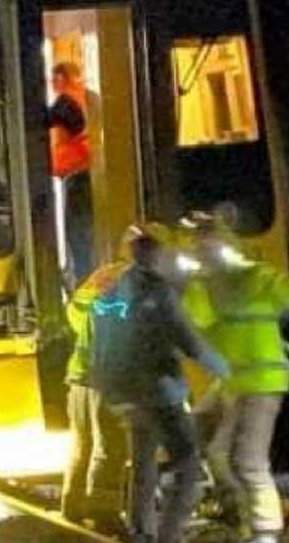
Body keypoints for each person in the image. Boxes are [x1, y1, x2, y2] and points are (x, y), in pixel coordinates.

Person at [88, 224, 229, 543]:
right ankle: (168, 534)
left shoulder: (111, 292)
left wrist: (104, 384)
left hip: (124, 393)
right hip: (159, 391)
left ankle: (141, 533)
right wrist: (225, 369)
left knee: (142, 463)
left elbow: (100, 337)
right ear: (156, 256)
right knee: (189, 465)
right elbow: (189, 342)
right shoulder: (158, 292)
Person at [182, 214, 289, 543]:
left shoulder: (250, 275)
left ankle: (265, 531)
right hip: (234, 381)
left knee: (247, 461)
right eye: (199, 242)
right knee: (213, 447)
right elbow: (196, 328)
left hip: (260, 382)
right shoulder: (204, 286)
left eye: (207, 241)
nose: (202, 247)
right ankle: (235, 511)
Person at [61, 224, 171, 534]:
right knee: (110, 447)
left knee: (82, 444)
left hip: (81, 373)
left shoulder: (105, 273)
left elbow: (76, 312)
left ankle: (73, 505)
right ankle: (103, 513)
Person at [48, 61, 94, 287]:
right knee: (86, 234)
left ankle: (81, 284)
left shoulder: (64, 104)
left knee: (76, 237)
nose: (51, 83)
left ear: (61, 78)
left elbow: (47, 131)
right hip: (89, 172)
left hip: (76, 176)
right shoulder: (86, 97)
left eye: (53, 78)